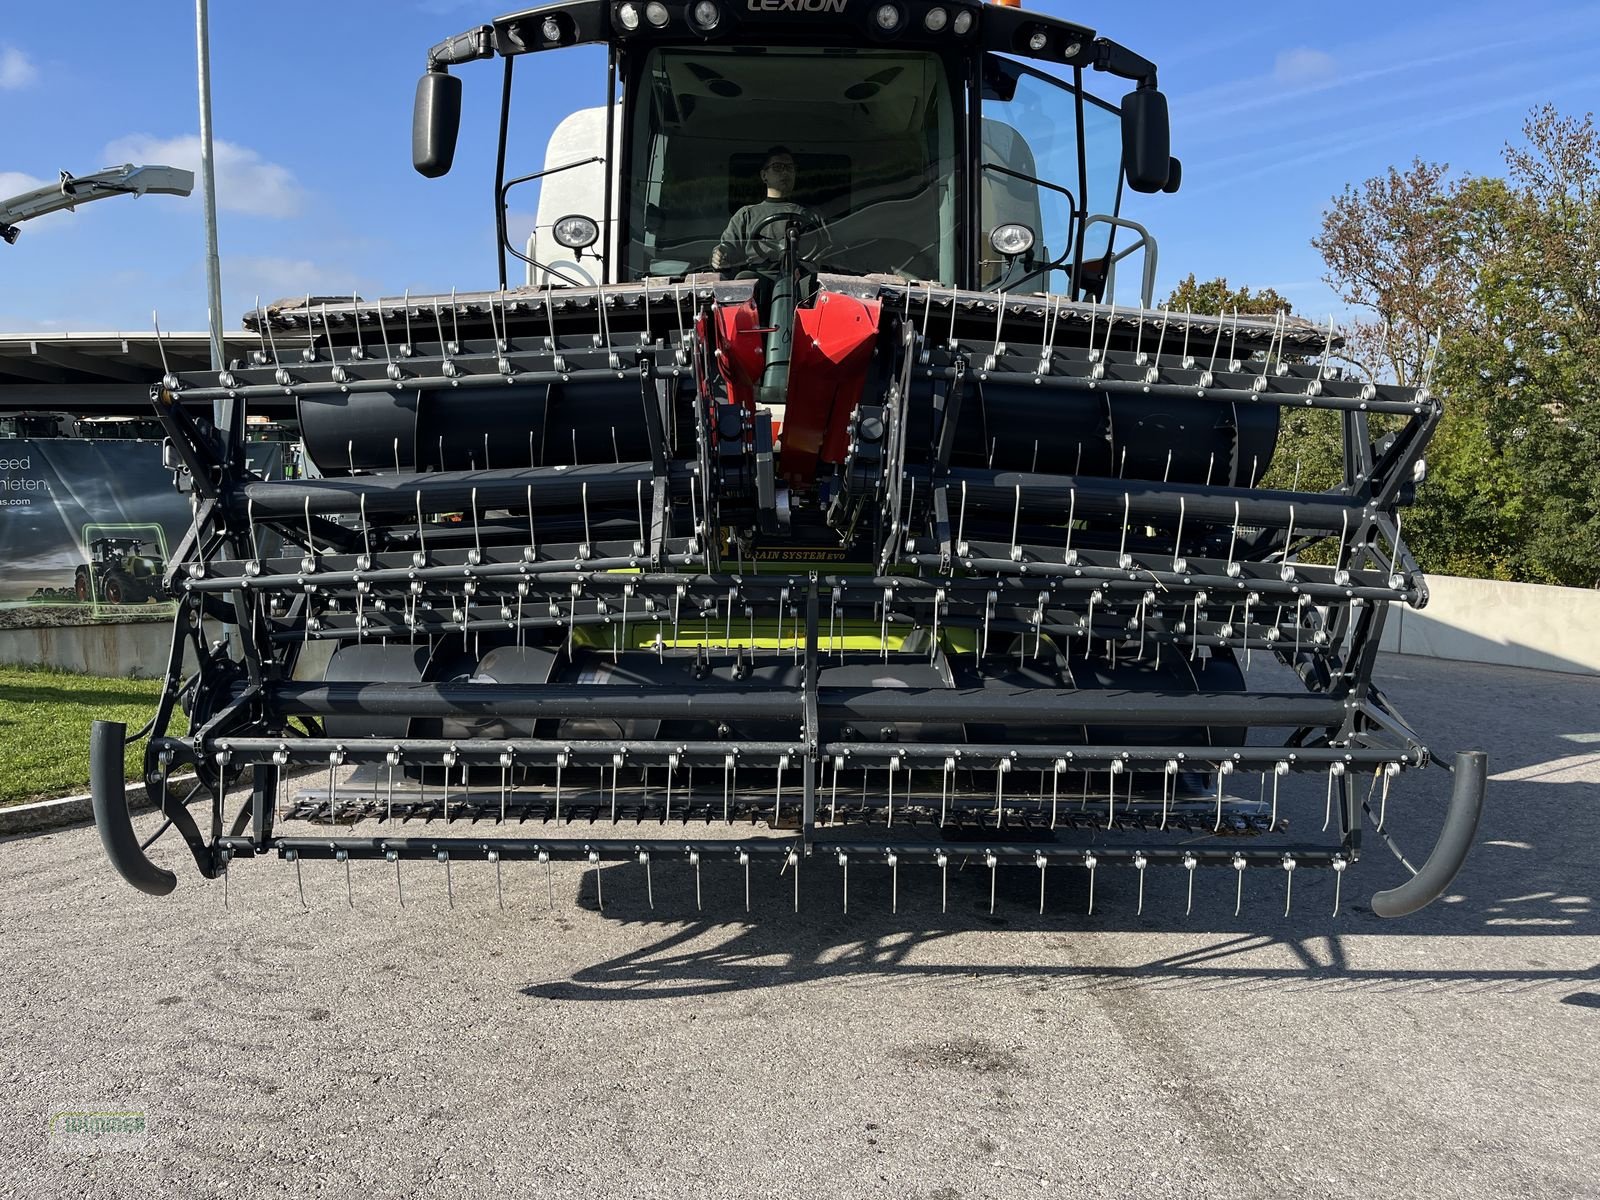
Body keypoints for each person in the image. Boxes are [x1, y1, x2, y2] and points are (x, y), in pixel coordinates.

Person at [711, 146, 829, 271]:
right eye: (777, 167)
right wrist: (720, 255)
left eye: (790, 168)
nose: (785, 172)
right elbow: (728, 248)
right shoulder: (746, 215)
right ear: (764, 175)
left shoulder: (812, 215)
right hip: (756, 279)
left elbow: (830, 253)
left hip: (802, 279)